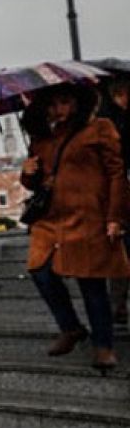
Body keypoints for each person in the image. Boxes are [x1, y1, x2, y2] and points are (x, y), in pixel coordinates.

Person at [19, 83, 129, 370]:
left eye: (65, 102)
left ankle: (103, 347)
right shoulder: (42, 139)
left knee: (91, 282)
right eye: (53, 104)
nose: (59, 110)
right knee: (39, 270)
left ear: (79, 103)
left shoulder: (99, 129)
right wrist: (27, 173)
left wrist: (115, 217)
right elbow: (34, 181)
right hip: (50, 221)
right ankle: (71, 327)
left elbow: (117, 174)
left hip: (87, 218)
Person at [98, 77, 130, 323]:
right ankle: (116, 307)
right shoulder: (110, 122)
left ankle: (116, 307)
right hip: (120, 194)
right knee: (121, 252)